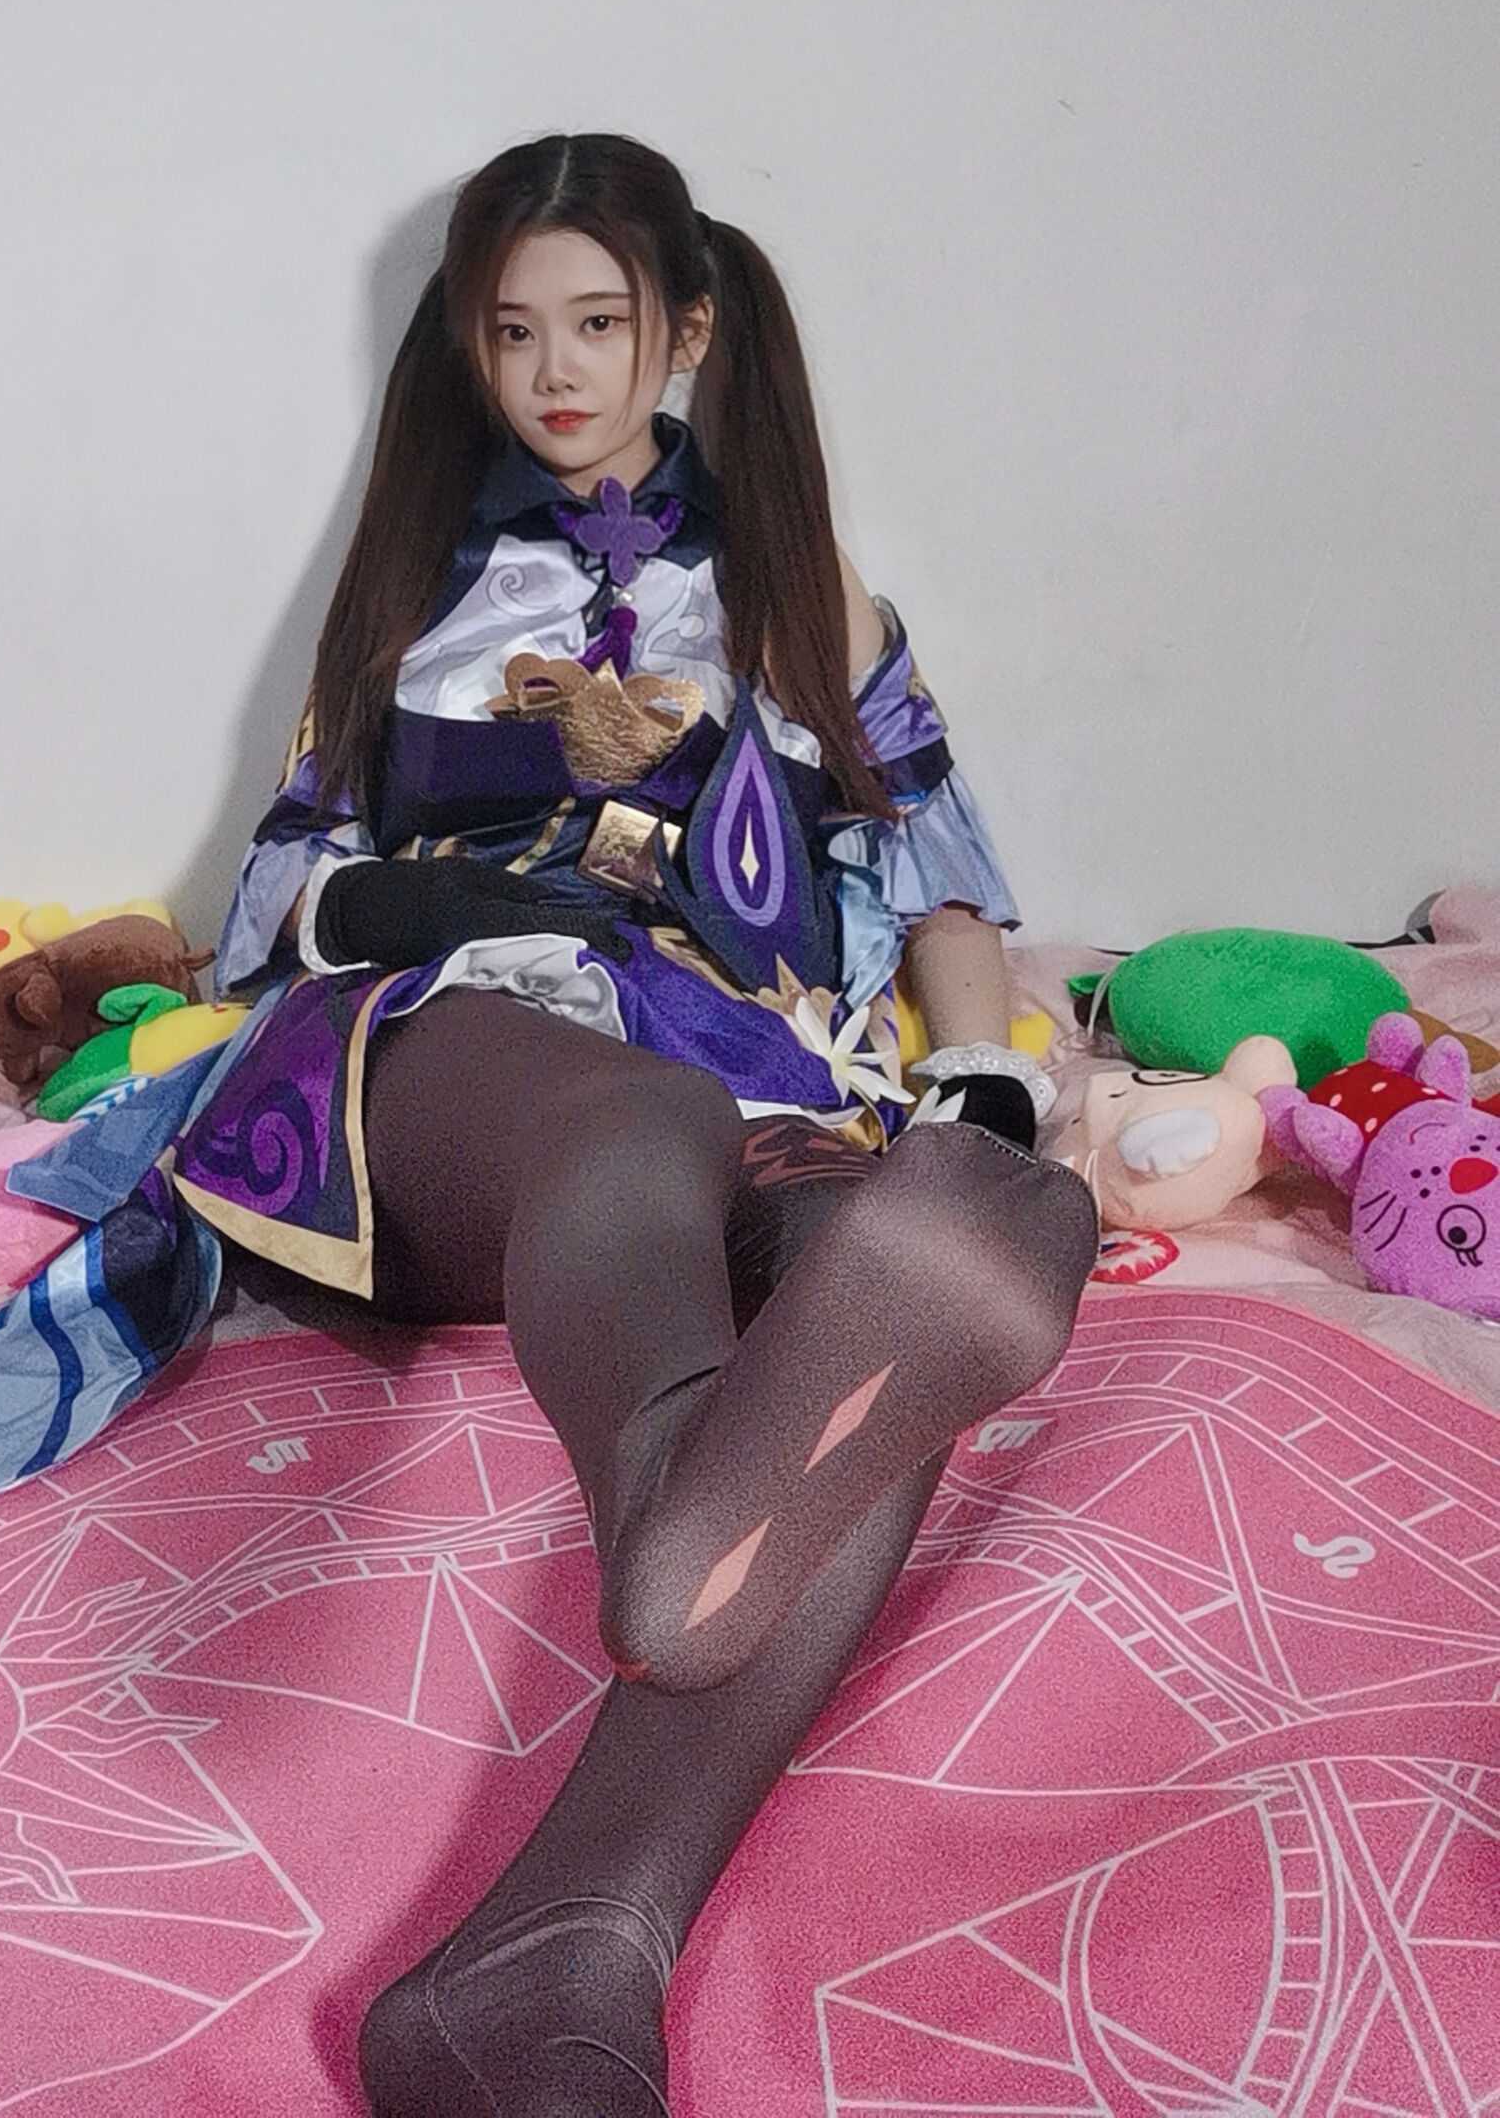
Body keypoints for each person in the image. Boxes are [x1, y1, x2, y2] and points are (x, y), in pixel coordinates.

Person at [178, 132, 1098, 2117]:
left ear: (685, 328)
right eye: (512, 331)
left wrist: (983, 1082)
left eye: (596, 324)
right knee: (641, 1120)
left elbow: (942, 878)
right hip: (457, 1052)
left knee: (850, 1285)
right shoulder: (415, 584)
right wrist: (396, 898)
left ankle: (567, 1950)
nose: (555, 373)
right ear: (467, 344)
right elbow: (274, 895)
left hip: (758, 1050)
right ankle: (681, 1477)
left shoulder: (807, 598)